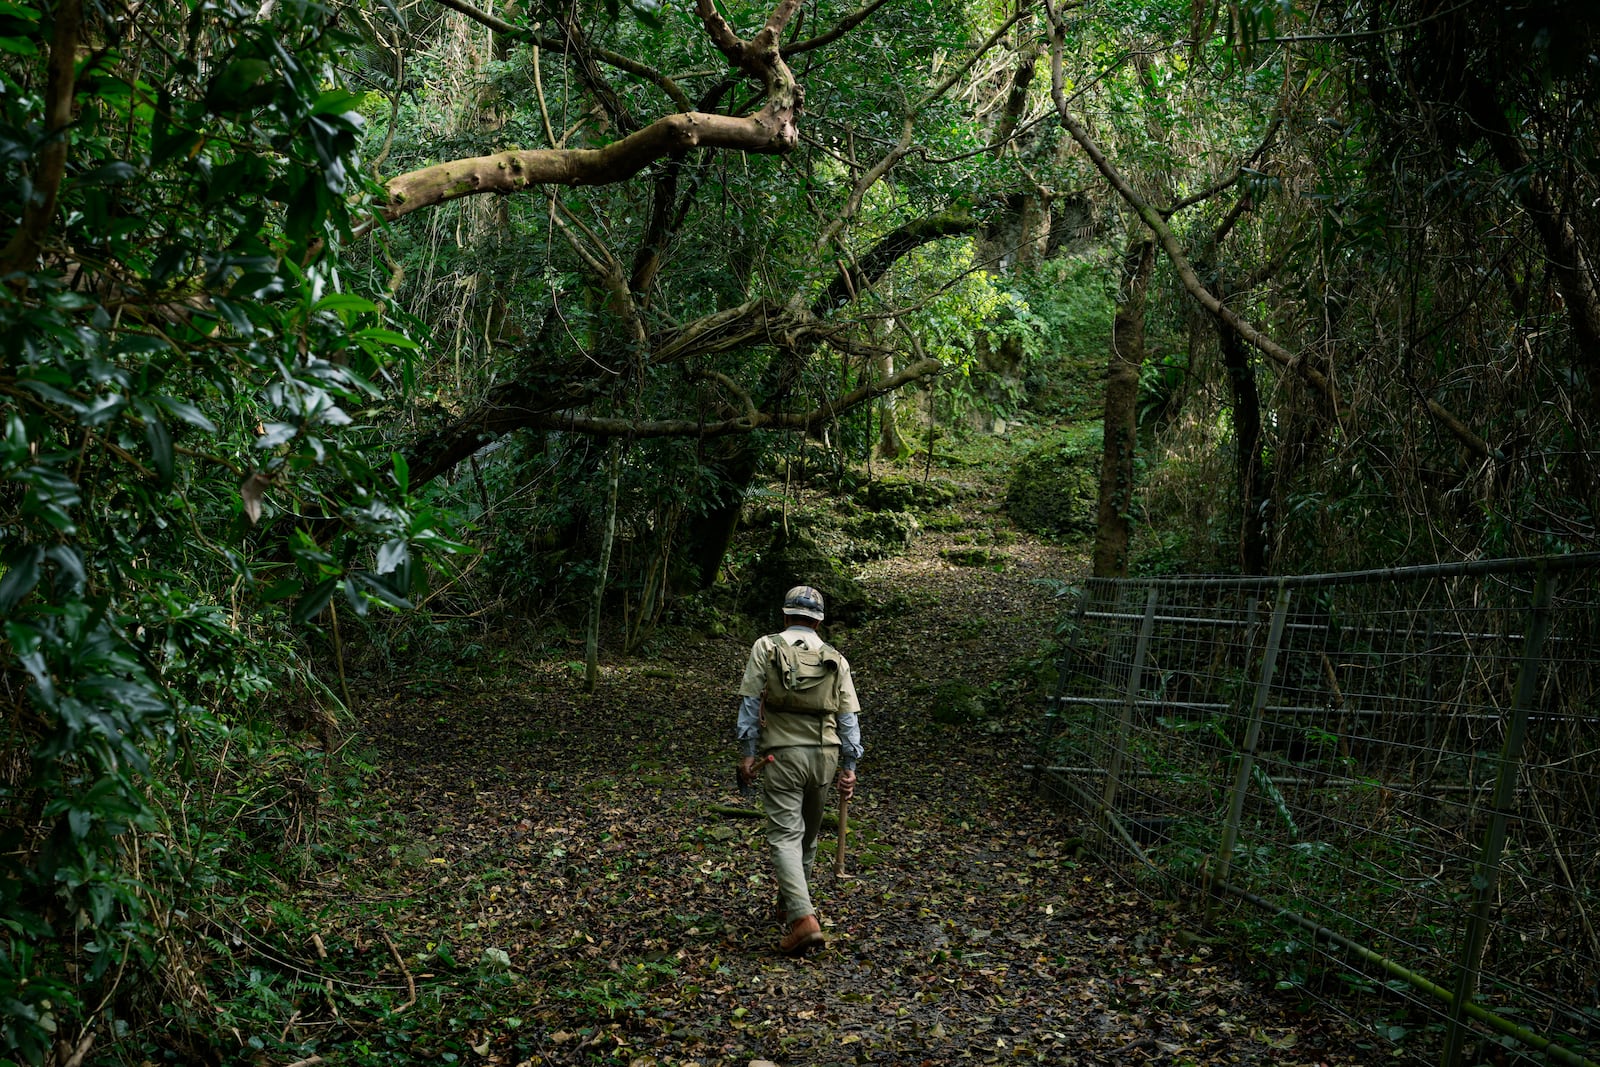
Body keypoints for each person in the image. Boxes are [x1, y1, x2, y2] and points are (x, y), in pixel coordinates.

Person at [735, 585, 863, 955]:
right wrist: (850, 765)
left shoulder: (767, 646)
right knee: (807, 836)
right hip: (825, 758)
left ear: (786, 614)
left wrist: (747, 753)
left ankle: (803, 920)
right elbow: (848, 717)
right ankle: (790, 903)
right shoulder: (835, 658)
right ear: (819, 621)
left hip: (782, 757)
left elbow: (749, 702)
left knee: (785, 836)